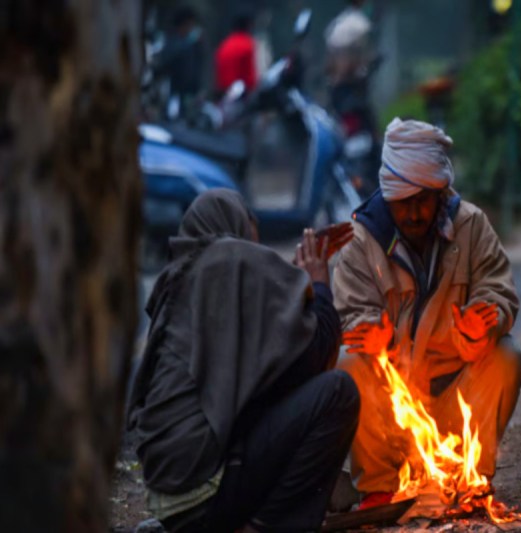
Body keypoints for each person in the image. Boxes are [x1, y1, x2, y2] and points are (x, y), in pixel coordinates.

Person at [127, 189, 359, 532]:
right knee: (338, 392)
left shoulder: (184, 278)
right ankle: (265, 526)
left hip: (172, 501)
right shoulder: (228, 258)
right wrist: (319, 282)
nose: (257, 251)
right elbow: (318, 353)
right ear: (233, 227)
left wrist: (292, 287)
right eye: (253, 240)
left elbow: (273, 369)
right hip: (204, 492)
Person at [333, 118, 521, 509]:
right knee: (349, 362)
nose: (415, 213)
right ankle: (380, 489)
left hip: (456, 405)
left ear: (441, 193)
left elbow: (497, 286)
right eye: (404, 202)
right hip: (393, 416)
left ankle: (468, 483)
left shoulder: (471, 226)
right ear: (388, 197)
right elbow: (348, 313)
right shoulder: (360, 243)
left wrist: (484, 320)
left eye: (424, 200)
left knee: (507, 356)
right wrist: (371, 333)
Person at [153, 6, 205, 112]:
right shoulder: (181, 46)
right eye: (191, 25)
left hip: (175, 97)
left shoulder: (167, 41)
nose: (192, 29)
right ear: (184, 24)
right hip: (174, 97)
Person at [215, 12, 258, 95]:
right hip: (239, 93)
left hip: (222, 91)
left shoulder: (226, 43)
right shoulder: (247, 44)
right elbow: (250, 76)